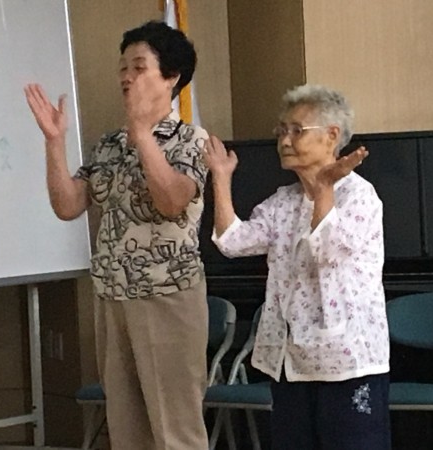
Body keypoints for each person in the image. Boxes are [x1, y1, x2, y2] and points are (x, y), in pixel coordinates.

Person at [24, 21, 209, 450]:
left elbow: (172, 200)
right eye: (123, 67)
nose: (127, 76)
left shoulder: (190, 140)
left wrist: (142, 133)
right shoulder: (109, 145)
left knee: (176, 431)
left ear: (171, 77)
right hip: (112, 297)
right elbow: (68, 205)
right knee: (126, 430)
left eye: (139, 67)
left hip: (167, 297)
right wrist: (54, 142)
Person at [204, 84, 391, 450]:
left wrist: (324, 189)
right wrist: (221, 177)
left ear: (331, 136)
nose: (285, 141)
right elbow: (232, 242)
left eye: (296, 131)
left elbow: (327, 251)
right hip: (290, 361)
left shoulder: (359, 196)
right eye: (281, 131)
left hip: (345, 360)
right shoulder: (283, 201)